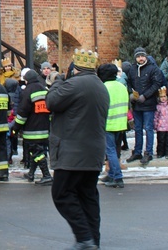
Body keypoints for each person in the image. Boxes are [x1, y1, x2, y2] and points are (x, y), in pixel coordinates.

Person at [46, 50, 109, 250]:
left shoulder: (75, 84)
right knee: (87, 196)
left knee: (61, 193)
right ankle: (93, 240)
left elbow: (51, 102)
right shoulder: (99, 85)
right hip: (93, 152)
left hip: (73, 152)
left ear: (75, 68)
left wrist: (57, 81)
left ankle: (84, 238)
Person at [126, 47, 165, 165]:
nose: (140, 58)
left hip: (148, 104)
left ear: (146, 56)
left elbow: (157, 83)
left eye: (142, 56)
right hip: (137, 104)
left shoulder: (153, 68)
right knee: (137, 128)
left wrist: (146, 96)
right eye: (138, 56)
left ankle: (148, 152)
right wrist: (131, 94)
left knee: (148, 128)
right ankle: (137, 151)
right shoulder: (132, 69)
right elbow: (129, 83)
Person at [13, 69, 52, 185]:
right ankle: (31, 173)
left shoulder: (28, 91)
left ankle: (47, 175)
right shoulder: (45, 90)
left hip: (32, 129)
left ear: (27, 80)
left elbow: (23, 112)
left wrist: (16, 128)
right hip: (45, 127)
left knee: (36, 152)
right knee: (37, 150)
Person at [97, 63, 128, 189]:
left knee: (110, 152)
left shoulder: (103, 87)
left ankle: (117, 176)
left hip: (108, 124)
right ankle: (111, 174)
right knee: (114, 150)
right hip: (121, 123)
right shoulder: (121, 86)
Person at [153, 87, 168, 159]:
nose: (163, 98)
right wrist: (155, 124)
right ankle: (160, 153)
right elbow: (156, 116)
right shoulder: (158, 106)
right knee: (161, 140)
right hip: (161, 127)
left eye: (164, 96)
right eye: (161, 97)